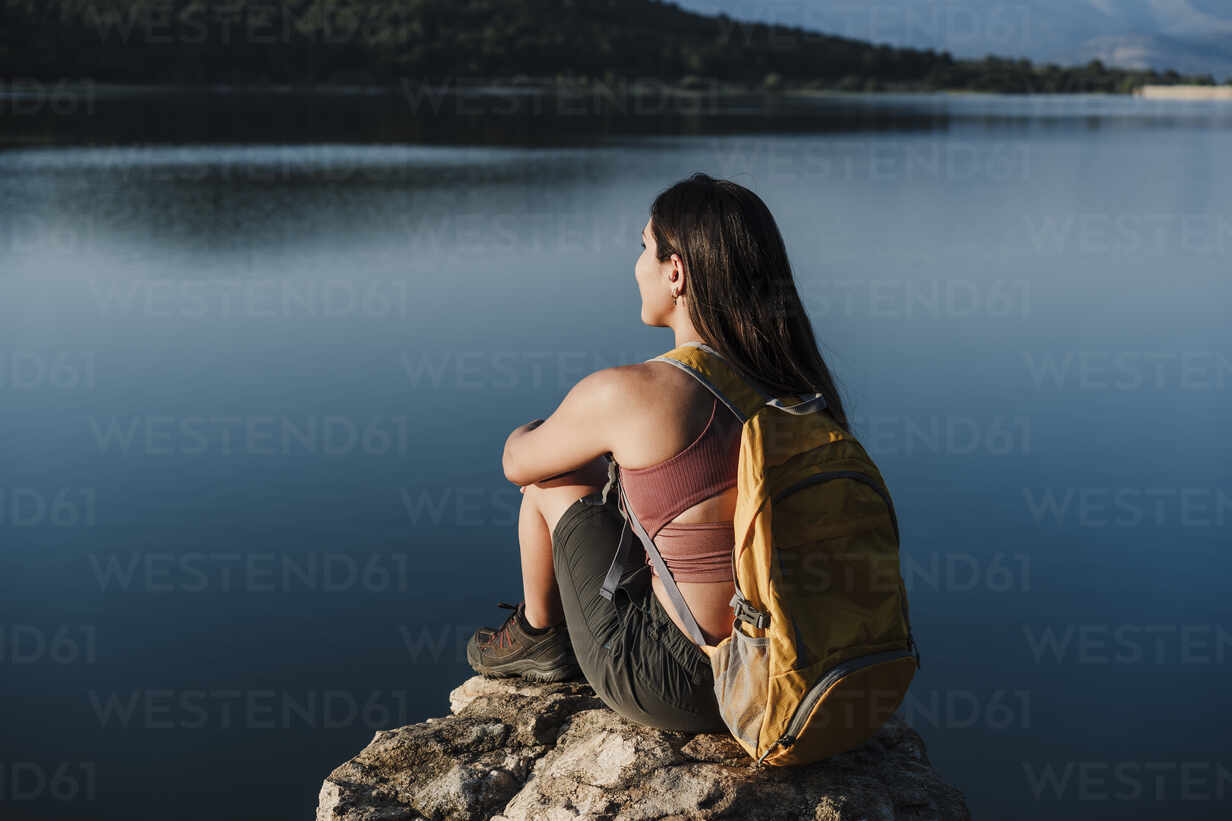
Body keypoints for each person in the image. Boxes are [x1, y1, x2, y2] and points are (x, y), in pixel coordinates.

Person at [466, 172, 850, 733]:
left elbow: (517, 462)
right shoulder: (798, 388)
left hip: (687, 684)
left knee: (555, 478)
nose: (636, 266)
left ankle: (537, 635)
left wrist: (550, 427)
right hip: (796, 665)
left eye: (644, 247)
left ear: (676, 272)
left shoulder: (636, 392)